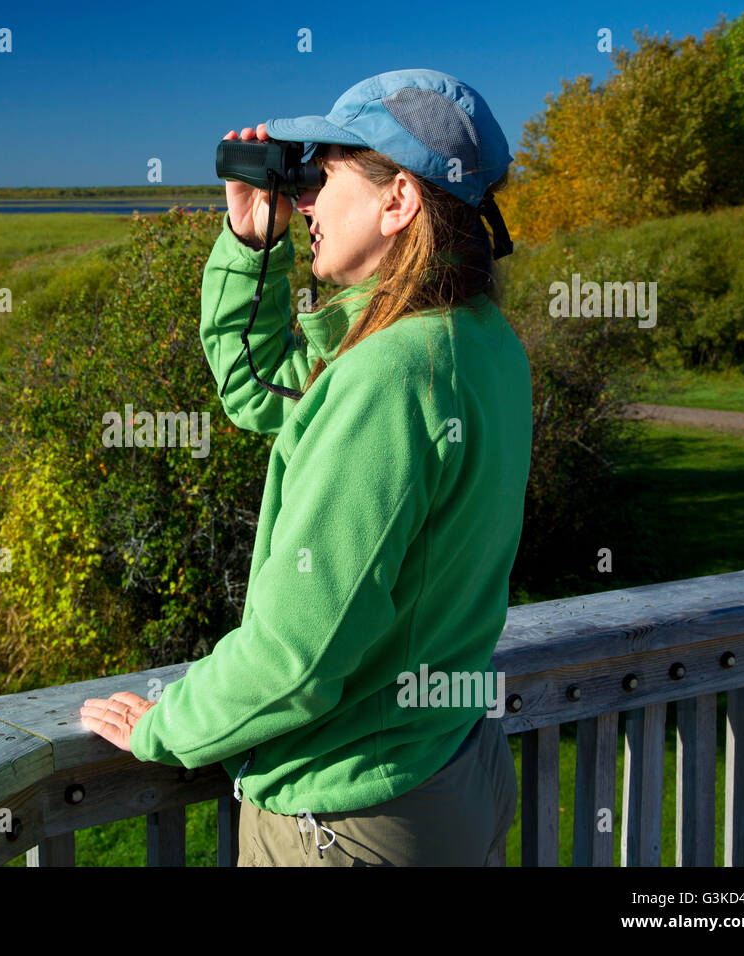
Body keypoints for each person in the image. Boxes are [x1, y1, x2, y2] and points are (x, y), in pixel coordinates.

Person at [80, 69, 530, 866]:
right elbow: (265, 390)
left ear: (399, 203)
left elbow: (295, 662)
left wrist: (166, 724)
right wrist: (254, 244)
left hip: (355, 817)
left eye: (325, 178)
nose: (309, 201)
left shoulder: (391, 377)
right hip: (452, 771)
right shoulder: (479, 339)